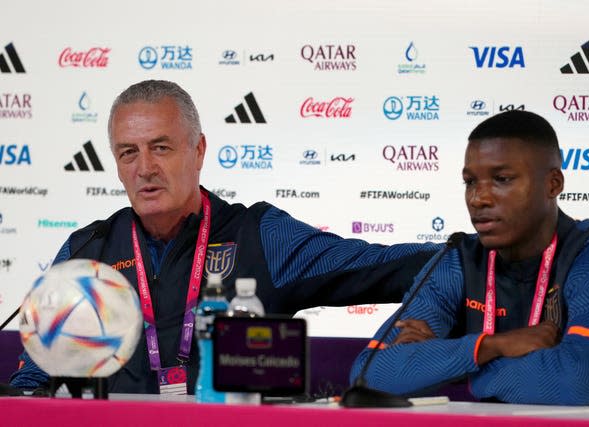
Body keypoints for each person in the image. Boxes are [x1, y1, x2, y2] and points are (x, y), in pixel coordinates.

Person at [10, 79, 439, 394]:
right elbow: (34, 377)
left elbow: (384, 267)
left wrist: (480, 255)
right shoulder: (89, 252)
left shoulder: (260, 236)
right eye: (129, 152)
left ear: (198, 151)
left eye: (161, 147)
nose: (144, 168)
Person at [349, 110, 589, 405]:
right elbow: (370, 374)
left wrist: (454, 365)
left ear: (553, 184)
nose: (478, 198)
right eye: (470, 182)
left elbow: (569, 385)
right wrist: (491, 346)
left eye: (501, 179)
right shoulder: (457, 260)